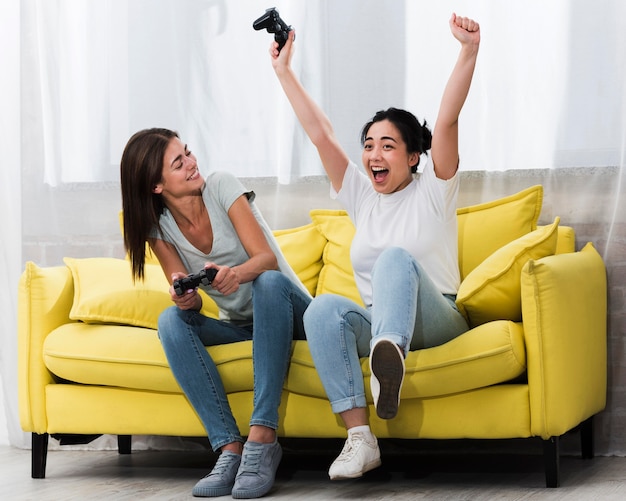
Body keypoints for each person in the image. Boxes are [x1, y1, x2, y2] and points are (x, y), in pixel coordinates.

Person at [270, 13, 479, 480]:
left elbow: (446, 119)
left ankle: (391, 349)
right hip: (378, 320)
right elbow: (320, 134)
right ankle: (360, 439)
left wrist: (468, 51)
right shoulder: (363, 196)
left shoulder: (434, 190)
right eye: (368, 145)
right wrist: (284, 71)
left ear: (412, 156)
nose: (374, 155)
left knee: (395, 259)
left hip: (435, 317)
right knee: (322, 309)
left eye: (388, 145)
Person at [120, 128, 311, 498]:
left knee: (267, 283)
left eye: (188, 153)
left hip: (294, 316)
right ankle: (229, 448)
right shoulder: (159, 229)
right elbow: (191, 299)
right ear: (157, 186)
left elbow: (266, 260)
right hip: (242, 327)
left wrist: (235, 275)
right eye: (179, 163)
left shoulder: (222, 186)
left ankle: (263, 438)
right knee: (170, 320)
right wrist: (187, 300)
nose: (192, 163)